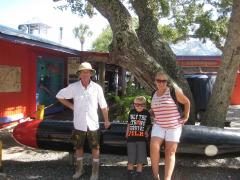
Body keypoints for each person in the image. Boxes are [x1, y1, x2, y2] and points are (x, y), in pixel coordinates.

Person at [56, 62, 110, 180]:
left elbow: (103, 106)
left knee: (95, 148)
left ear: (91, 73)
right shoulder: (74, 87)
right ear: (79, 74)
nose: (85, 74)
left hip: (93, 123)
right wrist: (71, 106)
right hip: (79, 123)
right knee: (78, 147)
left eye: (87, 72)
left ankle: (95, 172)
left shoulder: (97, 88)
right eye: (83, 72)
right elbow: (59, 96)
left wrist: (107, 120)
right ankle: (79, 169)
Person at [150, 71, 190, 180]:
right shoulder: (153, 93)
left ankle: (167, 178)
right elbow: (154, 109)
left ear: (167, 82)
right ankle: (155, 176)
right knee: (154, 147)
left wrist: (186, 116)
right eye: (159, 80)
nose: (161, 83)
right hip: (159, 124)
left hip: (173, 126)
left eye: (164, 81)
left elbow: (186, 102)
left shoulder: (173, 91)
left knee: (170, 151)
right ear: (155, 81)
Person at [125, 96, 151, 180]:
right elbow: (129, 124)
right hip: (131, 138)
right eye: (137, 104)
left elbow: (148, 124)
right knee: (131, 158)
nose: (139, 106)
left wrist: (146, 131)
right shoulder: (131, 112)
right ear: (134, 104)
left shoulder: (146, 113)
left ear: (144, 105)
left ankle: (139, 175)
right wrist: (127, 133)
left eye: (141, 105)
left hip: (142, 139)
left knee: (140, 159)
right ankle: (130, 175)